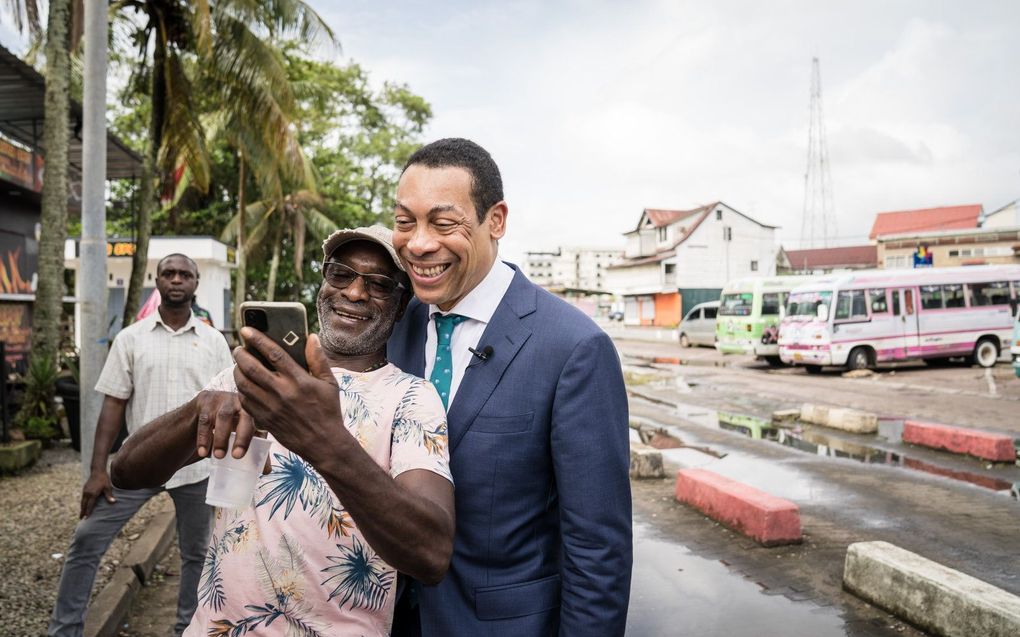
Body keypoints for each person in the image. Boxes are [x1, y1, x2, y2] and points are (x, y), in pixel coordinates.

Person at [110, 226, 455, 637]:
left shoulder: (412, 397)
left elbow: (431, 555)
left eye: (379, 284)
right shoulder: (255, 378)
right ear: (323, 283)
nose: (355, 293)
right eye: (341, 274)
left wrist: (325, 439)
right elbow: (127, 472)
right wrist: (197, 413)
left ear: (400, 307)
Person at [387, 138, 633, 635]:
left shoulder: (574, 348)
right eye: (405, 221)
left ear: (495, 221)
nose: (418, 244)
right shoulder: (396, 325)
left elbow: (597, 549)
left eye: (443, 222)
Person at [49, 254, 233, 637]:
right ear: (157, 280)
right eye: (169, 273)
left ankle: (186, 629)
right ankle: (64, 630)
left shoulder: (215, 342)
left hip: (196, 469)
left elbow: (226, 406)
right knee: (86, 539)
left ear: (196, 283)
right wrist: (98, 471)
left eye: (185, 274)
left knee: (197, 556)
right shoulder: (131, 339)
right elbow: (113, 404)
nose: (177, 280)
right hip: (138, 468)